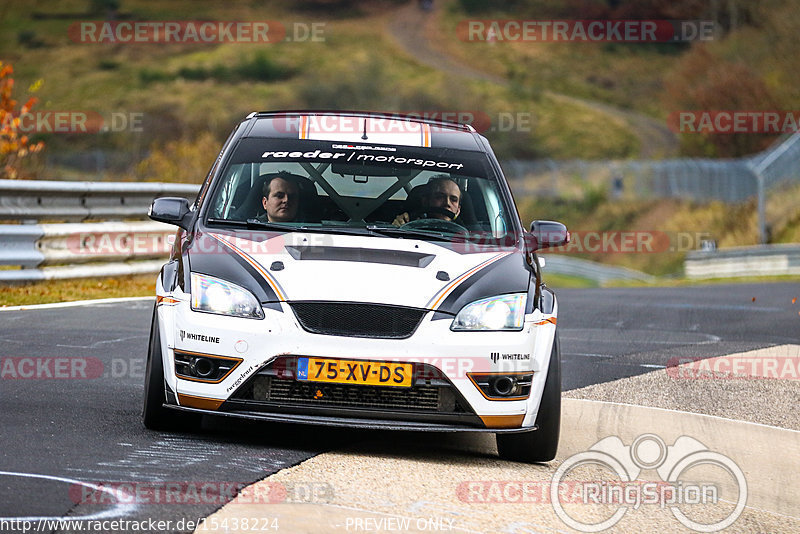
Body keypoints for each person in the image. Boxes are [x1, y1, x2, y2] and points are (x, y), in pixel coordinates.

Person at [392, 175, 462, 226]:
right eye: (440, 197)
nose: (447, 203)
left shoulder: (468, 239)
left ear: (458, 210)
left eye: (453, 200)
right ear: (425, 201)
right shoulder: (409, 227)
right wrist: (398, 227)